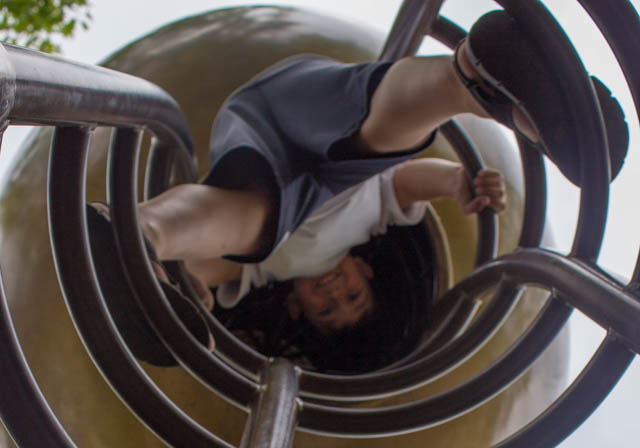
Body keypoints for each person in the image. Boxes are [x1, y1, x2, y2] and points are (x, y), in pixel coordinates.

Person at [89, 10, 627, 370]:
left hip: (262, 161)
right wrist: (457, 183)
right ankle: (469, 79)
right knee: (378, 144)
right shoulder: (369, 219)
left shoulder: (268, 268)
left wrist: (190, 287)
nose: (333, 292)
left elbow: (218, 265)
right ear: (365, 268)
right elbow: (405, 184)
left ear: (296, 306)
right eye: (352, 296)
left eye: (326, 309)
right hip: (306, 114)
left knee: (253, 221)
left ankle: (141, 236)